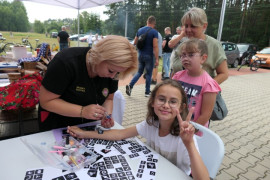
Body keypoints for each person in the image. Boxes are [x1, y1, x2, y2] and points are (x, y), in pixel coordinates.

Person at [68, 79, 209, 180]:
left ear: (182, 107)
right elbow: (120, 134)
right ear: (152, 102)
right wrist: (85, 133)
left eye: (173, 102)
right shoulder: (151, 124)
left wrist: (189, 143)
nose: (166, 105)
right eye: (161, 99)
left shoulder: (184, 137)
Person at [38, 35, 138, 131]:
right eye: (111, 71)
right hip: (56, 126)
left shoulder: (113, 71)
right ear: (100, 58)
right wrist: (82, 111)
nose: (113, 77)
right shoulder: (65, 62)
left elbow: (109, 98)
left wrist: (106, 115)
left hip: (86, 127)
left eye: (118, 73)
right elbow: (46, 101)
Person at [172, 38, 221, 135]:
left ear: (203, 58)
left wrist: (191, 130)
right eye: (183, 55)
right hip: (175, 126)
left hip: (193, 132)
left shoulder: (208, 83)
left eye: (191, 55)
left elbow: (206, 114)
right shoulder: (177, 76)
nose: (185, 58)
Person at [169, 7, 229, 84]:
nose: (188, 30)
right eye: (186, 26)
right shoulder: (183, 45)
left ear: (204, 26)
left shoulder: (214, 45)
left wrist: (207, 88)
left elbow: (224, 74)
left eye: (193, 26)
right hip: (181, 92)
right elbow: (175, 70)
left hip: (203, 93)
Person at [126, 16, 159, 97]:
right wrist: (157, 58)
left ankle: (130, 86)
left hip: (140, 55)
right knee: (148, 74)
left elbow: (135, 42)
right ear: (154, 23)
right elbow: (155, 46)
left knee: (139, 72)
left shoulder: (140, 30)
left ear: (147, 22)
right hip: (149, 56)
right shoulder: (154, 32)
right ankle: (147, 92)